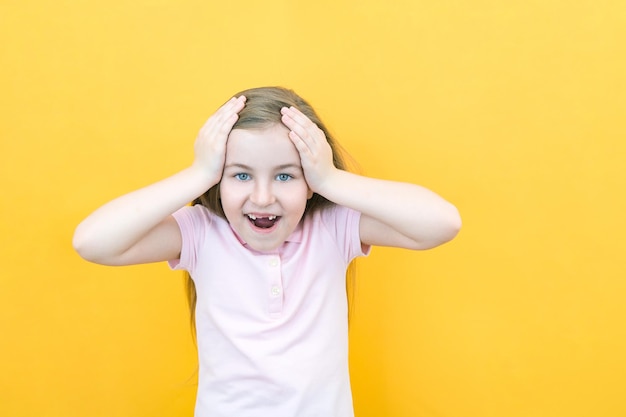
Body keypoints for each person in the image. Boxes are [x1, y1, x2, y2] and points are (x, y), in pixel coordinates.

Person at [73, 86, 461, 417]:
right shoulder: (201, 234)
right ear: (218, 179)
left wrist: (331, 179)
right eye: (240, 174)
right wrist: (198, 174)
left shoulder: (331, 229)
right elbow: (91, 242)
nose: (262, 197)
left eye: (285, 175)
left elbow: (442, 223)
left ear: (310, 181)